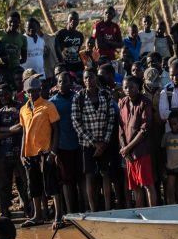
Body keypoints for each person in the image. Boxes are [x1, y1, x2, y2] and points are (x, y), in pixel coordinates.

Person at [72, 69, 118, 212]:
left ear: (96, 79)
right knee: (90, 176)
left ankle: (108, 208)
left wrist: (104, 142)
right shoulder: (78, 98)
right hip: (87, 144)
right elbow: (76, 122)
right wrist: (94, 143)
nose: (88, 81)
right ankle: (93, 210)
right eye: (85, 78)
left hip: (104, 143)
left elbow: (111, 119)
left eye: (90, 78)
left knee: (105, 174)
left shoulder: (106, 95)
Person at [19, 74, 61, 228]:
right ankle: (37, 216)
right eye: (29, 91)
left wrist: (53, 152)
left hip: (45, 152)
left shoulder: (48, 106)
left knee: (52, 185)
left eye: (35, 90)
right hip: (30, 153)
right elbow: (24, 132)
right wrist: (22, 152)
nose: (32, 94)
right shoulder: (23, 110)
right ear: (25, 93)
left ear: (40, 90)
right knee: (34, 186)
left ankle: (58, 216)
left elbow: (56, 130)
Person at [118, 75, 157, 208]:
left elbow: (144, 129)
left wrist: (127, 148)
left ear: (138, 88)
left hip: (141, 151)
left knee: (147, 185)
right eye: (125, 87)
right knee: (135, 187)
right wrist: (124, 148)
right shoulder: (122, 102)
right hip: (128, 153)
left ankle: (153, 215)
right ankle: (141, 215)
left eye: (132, 87)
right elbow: (121, 128)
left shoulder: (145, 103)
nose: (128, 90)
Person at [0, 82, 27, 219]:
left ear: (11, 93)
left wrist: (5, 130)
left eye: (5, 94)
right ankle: (4, 211)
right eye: (0, 95)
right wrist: (12, 130)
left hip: (20, 152)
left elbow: (22, 127)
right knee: (3, 184)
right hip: (3, 154)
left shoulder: (21, 108)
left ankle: (29, 208)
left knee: (23, 181)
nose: (3, 97)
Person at [49, 71, 83, 214]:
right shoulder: (52, 102)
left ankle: (83, 209)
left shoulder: (78, 98)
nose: (63, 84)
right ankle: (69, 212)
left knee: (80, 179)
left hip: (80, 143)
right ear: (57, 84)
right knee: (65, 181)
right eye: (60, 81)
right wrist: (53, 149)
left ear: (71, 83)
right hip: (62, 145)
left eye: (66, 81)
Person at [0, 12, 27, 87]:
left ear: (19, 22)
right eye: (10, 21)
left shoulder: (23, 38)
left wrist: (15, 62)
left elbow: (24, 59)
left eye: (15, 21)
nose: (12, 24)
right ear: (6, 21)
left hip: (16, 72)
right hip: (1, 71)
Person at [54, 11, 85, 76]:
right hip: (66, 65)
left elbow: (78, 50)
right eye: (71, 18)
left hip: (77, 65)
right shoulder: (61, 33)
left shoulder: (80, 35)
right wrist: (62, 63)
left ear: (78, 21)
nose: (73, 21)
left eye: (76, 19)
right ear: (67, 20)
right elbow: (57, 50)